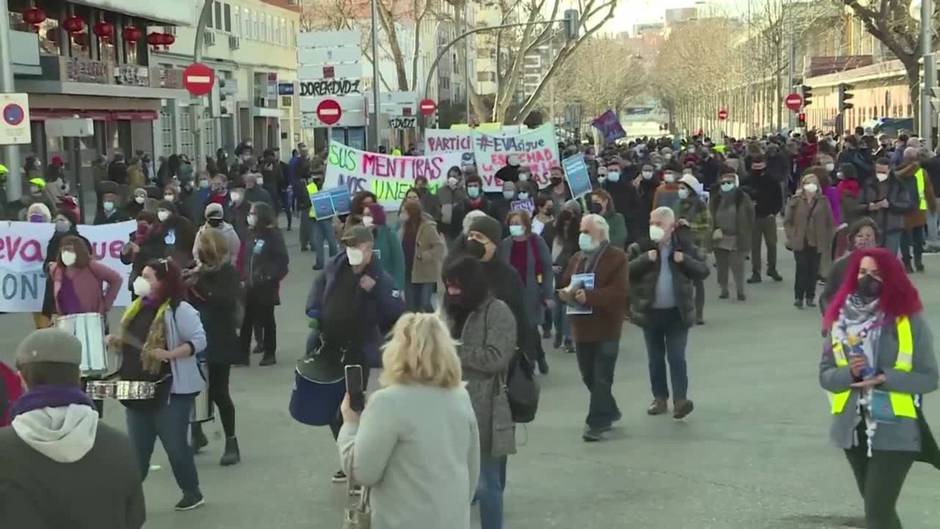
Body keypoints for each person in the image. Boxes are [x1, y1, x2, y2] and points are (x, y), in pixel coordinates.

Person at [819, 248, 938, 529]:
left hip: (895, 428)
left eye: (875, 273)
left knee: (877, 513)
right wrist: (850, 373)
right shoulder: (840, 319)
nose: (868, 279)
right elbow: (825, 375)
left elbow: (929, 378)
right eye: (862, 272)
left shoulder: (908, 320)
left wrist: (884, 376)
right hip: (853, 429)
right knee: (879, 511)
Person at [337, 313, 479, 529]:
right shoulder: (460, 397)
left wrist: (350, 425)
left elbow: (362, 472)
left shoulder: (387, 402)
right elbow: (472, 467)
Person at [0, 329, 145, 527]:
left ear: (22, 380)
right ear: (78, 376)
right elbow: (135, 518)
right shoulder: (119, 445)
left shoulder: (5, 449)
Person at [305, 224, 405, 484]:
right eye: (347, 246)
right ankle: (347, 454)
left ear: (369, 248)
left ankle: (363, 460)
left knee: (357, 408)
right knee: (331, 408)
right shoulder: (335, 266)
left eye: (356, 246)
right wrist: (314, 312)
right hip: (330, 347)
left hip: (360, 352)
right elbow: (317, 289)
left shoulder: (380, 278)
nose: (350, 251)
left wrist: (376, 290)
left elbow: (397, 311)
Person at [107, 259, 207, 511]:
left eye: (148, 277)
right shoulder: (136, 307)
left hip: (169, 389)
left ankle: (192, 492)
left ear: (163, 282)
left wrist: (170, 354)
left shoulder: (179, 310)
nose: (141, 281)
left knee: (175, 447)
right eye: (141, 275)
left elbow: (199, 341)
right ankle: (126, 500)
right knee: (136, 452)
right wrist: (117, 341)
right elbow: (133, 344)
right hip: (136, 387)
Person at [441, 256, 516, 529]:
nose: (450, 292)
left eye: (455, 286)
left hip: (487, 407)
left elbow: (496, 357)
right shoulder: (452, 310)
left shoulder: (497, 312)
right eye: (447, 286)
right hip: (452, 403)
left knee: (488, 481)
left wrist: (454, 352)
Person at [627, 207, 710, 419]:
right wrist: (645, 259)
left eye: (659, 224)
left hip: (677, 314)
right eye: (652, 223)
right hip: (650, 313)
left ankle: (680, 400)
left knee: (676, 357)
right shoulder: (641, 247)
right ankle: (660, 398)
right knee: (655, 359)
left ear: (671, 227)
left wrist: (685, 260)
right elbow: (625, 272)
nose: (654, 228)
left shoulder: (684, 246)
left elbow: (703, 270)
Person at [558, 214, 629, 441]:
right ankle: (610, 409)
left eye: (586, 232)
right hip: (581, 327)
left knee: (601, 377)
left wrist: (589, 296)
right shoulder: (577, 258)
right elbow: (565, 281)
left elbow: (619, 293)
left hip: (606, 327)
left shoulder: (616, 258)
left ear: (600, 233)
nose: (582, 236)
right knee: (588, 375)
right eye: (581, 231)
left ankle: (596, 423)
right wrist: (565, 292)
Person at [187, 230, 243, 466]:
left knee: (220, 392)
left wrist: (200, 284)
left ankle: (232, 441)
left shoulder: (228, 272)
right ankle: (197, 433)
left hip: (220, 337)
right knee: (192, 390)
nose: (206, 263)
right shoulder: (195, 271)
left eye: (210, 258)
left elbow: (227, 300)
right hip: (196, 337)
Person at [501, 210, 553, 374]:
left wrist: (547, 292)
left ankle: (533, 361)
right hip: (511, 294)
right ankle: (533, 359)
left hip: (532, 292)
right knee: (519, 329)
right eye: (511, 224)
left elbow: (547, 267)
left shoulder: (536, 242)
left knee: (530, 328)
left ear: (526, 224)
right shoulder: (505, 244)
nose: (514, 227)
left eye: (517, 223)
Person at [239, 202, 289, 366]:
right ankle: (242, 354)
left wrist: (268, 276)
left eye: (253, 213)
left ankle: (269, 352)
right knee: (246, 321)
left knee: (267, 319)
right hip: (250, 284)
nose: (250, 216)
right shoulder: (251, 233)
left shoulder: (273, 235)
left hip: (266, 286)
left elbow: (282, 260)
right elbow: (246, 258)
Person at [785, 173, 835, 309]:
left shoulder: (823, 201)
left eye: (813, 183)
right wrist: (792, 235)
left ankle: (810, 297)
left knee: (813, 270)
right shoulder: (796, 200)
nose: (811, 186)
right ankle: (798, 297)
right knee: (802, 268)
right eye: (808, 183)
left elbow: (830, 222)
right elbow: (787, 221)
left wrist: (828, 238)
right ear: (803, 185)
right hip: (800, 240)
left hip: (818, 241)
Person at [48, 234, 122, 316]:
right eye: (63, 250)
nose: (66, 254)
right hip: (67, 319)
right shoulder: (57, 270)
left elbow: (116, 279)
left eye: (69, 250)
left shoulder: (91, 266)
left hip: (92, 318)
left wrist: (106, 304)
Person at [40, 210, 91, 328]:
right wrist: (49, 266)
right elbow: (46, 263)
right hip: (54, 288)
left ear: (71, 223)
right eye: (56, 220)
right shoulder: (53, 242)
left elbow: (87, 264)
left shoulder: (81, 241)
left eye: (62, 220)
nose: (59, 223)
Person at [708, 172, 754, 301]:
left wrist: (747, 230)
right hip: (720, 236)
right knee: (722, 266)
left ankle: (740, 291)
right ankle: (724, 289)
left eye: (729, 182)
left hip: (737, 236)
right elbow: (710, 215)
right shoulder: (716, 199)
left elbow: (751, 214)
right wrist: (713, 230)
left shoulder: (742, 197)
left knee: (737, 265)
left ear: (735, 184)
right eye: (723, 183)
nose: (726, 185)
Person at [820, 217, 880, 313]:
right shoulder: (840, 265)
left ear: (876, 241)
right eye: (860, 236)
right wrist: (832, 316)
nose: (864, 239)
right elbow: (826, 297)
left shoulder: (886, 264)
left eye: (868, 236)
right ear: (853, 240)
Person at [675, 175, 711, 324]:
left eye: (683, 188)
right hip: (680, 244)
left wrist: (690, 225)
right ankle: (684, 311)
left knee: (698, 280)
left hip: (696, 244)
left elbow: (707, 224)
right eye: (679, 188)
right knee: (682, 280)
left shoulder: (700, 204)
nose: (680, 191)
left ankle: (699, 313)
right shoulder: (677, 204)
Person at [895, 148, 937, 272]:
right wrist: (933, 206)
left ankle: (907, 263)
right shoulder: (922, 172)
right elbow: (928, 191)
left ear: (904, 158)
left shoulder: (897, 173)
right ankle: (918, 261)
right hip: (919, 209)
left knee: (904, 238)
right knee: (918, 238)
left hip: (903, 210)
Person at [400, 200, 445, 313]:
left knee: (425, 303)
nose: (402, 214)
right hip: (408, 271)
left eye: (404, 211)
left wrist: (425, 255)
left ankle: (433, 322)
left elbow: (439, 247)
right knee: (411, 306)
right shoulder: (403, 227)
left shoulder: (427, 227)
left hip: (425, 272)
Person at [744, 156, 783, 283]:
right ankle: (756, 272)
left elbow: (779, 198)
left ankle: (772, 268)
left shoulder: (772, 180)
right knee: (755, 246)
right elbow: (742, 198)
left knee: (771, 244)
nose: (757, 170)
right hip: (753, 218)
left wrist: (774, 212)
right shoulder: (747, 180)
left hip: (768, 216)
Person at [551, 202, 581, 352]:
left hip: (570, 276)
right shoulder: (554, 233)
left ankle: (569, 339)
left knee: (566, 310)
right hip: (555, 276)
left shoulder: (578, 235)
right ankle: (559, 333)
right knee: (556, 311)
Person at [360, 203, 406, 291]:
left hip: (386, 285)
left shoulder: (389, 235)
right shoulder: (361, 235)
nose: (365, 218)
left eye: (368, 215)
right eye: (364, 215)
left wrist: (398, 287)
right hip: (366, 287)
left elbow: (398, 262)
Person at [305, 170, 339, 270]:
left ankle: (333, 262)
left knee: (330, 241)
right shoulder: (312, 187)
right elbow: (307, 200)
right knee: (318, 241)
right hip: (316, 217)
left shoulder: (327, 186)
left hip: (325, 216)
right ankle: (320, 263)